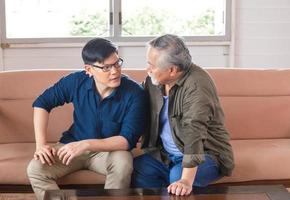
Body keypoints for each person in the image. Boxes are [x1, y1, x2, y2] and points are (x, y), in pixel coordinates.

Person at [27, 38, 147, 200]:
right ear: (89, 69)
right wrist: (40, 145)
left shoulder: (135, 93)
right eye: (106, 67)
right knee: (36, 168)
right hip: (72, 148)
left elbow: (126, 140)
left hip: (109, 152)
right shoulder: (76, 81)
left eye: (117, 63)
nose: (115, 71)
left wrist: (85, 144)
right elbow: (42, 103)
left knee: (123, 163)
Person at [131, 34, 234, 196]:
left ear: (172, 70)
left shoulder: (197, 85)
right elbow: (133, 95)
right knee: (138, 168)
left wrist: (185, 180)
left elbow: (194, 131)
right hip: (165, 155)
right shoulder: (154, 80)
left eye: (151, 65)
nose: (147, 69)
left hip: (206, 155)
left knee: (178, 177)